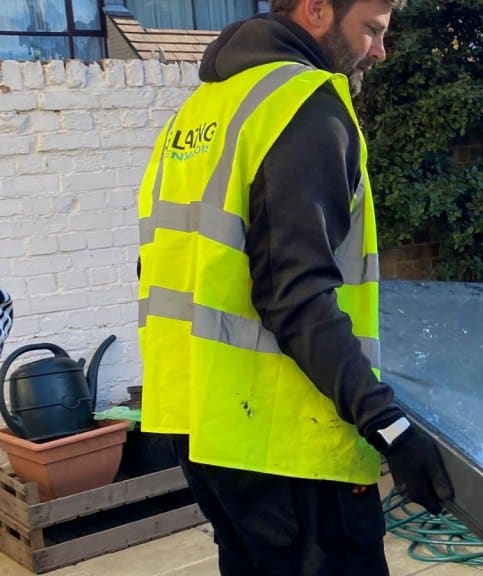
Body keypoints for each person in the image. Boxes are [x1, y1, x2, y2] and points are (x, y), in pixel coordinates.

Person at [136, 1, 452, 574]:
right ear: (316, 10)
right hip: (288, 444)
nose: (380, 51)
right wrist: (389, 426)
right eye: (371, 31)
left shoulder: (200, 110)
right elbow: (295, 295)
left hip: (203, 430)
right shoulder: (303, 105)